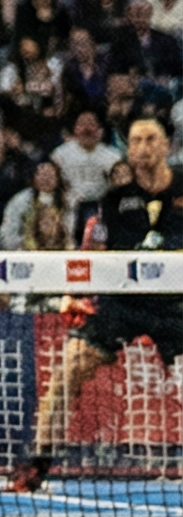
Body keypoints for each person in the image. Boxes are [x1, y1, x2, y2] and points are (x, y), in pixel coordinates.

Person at [11, 116, 183, 492]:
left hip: (176, 306)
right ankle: (37, 465)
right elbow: (96, 255)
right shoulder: (114, 202)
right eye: (135, 141)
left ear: (166, 146)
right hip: (123, 304)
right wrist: (80, 294)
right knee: (67, 371)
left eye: (151, 139)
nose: (142, 148)